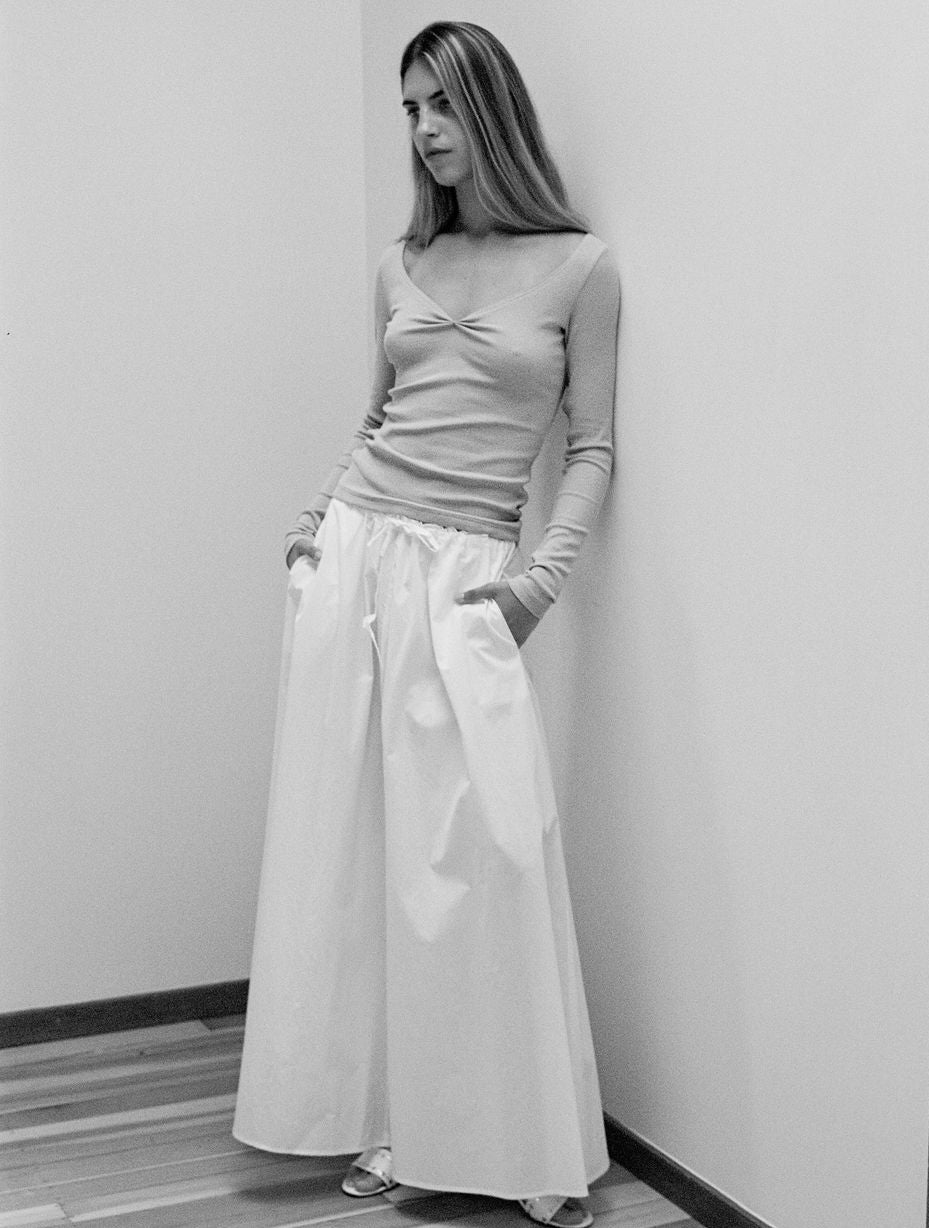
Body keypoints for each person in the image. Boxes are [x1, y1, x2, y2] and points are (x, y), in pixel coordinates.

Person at [232, 21, 620, 1228]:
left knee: (483, 850)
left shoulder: (581, 268)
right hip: (355, 554)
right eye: (409, 108)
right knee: (361, 851)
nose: (423, 129)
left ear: (489, 106)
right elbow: (377, 419)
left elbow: (593, 447)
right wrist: (316, 521)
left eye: (441, 103)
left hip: (468, 572)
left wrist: (537, 585)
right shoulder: (402, 262)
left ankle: (524, 1142)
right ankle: (395, 1119)